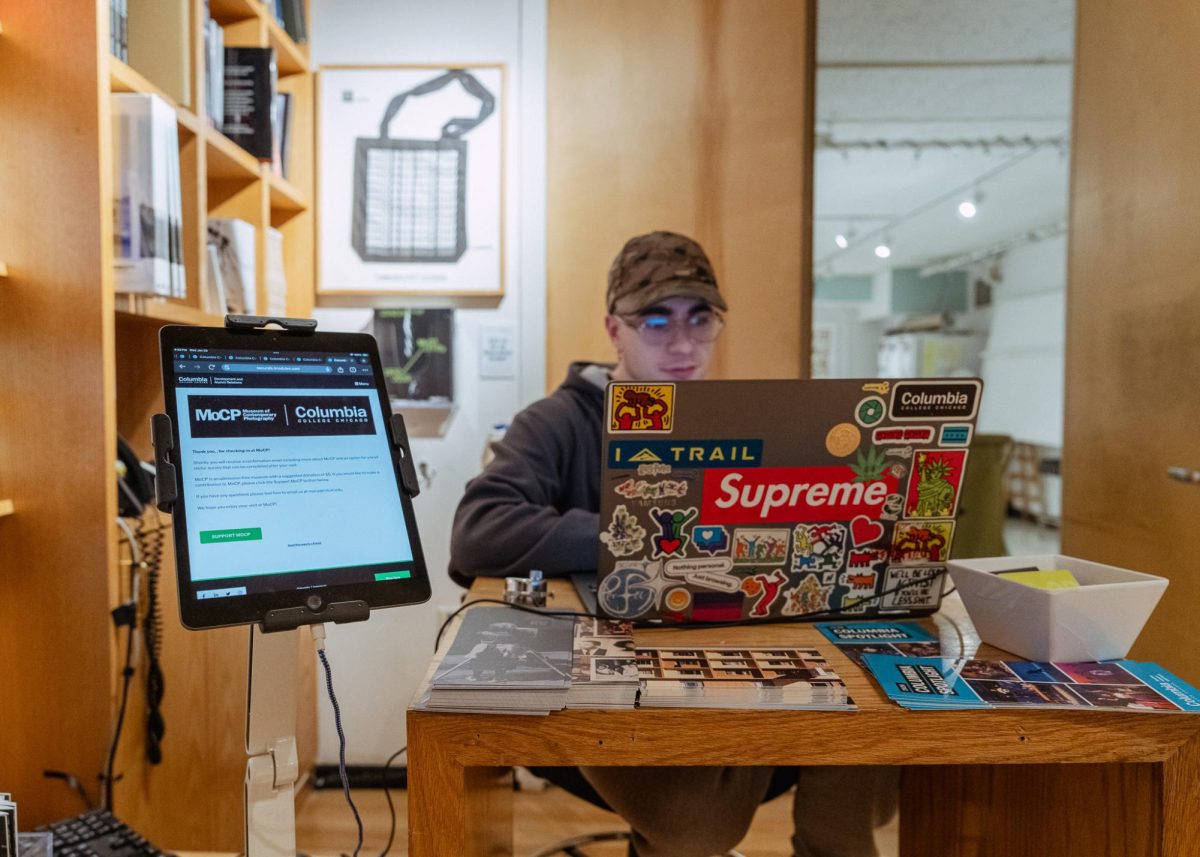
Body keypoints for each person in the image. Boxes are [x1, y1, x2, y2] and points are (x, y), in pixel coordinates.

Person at [449, 230, 895, 857]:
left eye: (700, 319)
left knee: (874, 725)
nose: (683, 344)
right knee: (696, 822)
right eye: (655, 321)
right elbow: (478, 531)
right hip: (615, 679)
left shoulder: (742, 421)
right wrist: (643, 533)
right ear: (614, 329)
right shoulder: (559, 422)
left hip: (743, 659)